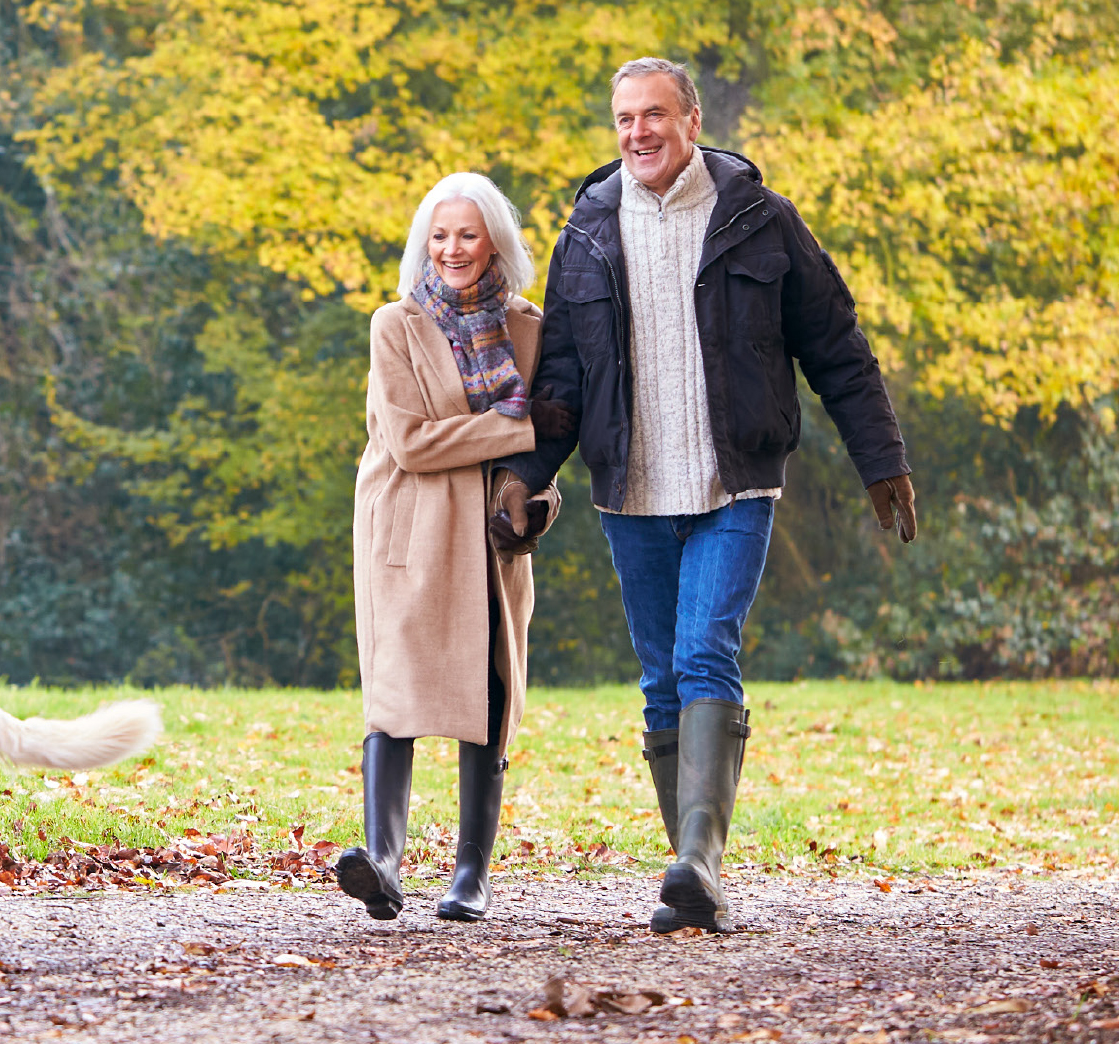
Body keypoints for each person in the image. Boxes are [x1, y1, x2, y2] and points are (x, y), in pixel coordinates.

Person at [496, 58, 917, 934]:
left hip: (736, 480)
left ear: (692, 119)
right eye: (623, 120)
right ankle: (689, 875)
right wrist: (528, 477)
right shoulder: (589, 231)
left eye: (654, 115)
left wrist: (880, 458)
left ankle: (700, 861)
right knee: (660, 680)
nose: (638, 133)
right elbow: (565, 377)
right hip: (631, 487)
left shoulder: (760, 220)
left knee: (703, 652)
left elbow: (836, 344)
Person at [339, 172, 576, 922]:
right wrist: (523, 426)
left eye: (468, 234)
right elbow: (411, 443)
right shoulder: (396, 325)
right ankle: (382, 859)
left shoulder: (532, 329)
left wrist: (536, 497)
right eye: (439, 236)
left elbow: (549, 453)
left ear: (494, 242)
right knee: (397, 690)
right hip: (409, 525)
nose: (453, 249)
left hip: (489, 534)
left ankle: (471, 874)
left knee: (492, 688)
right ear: (423, 246)